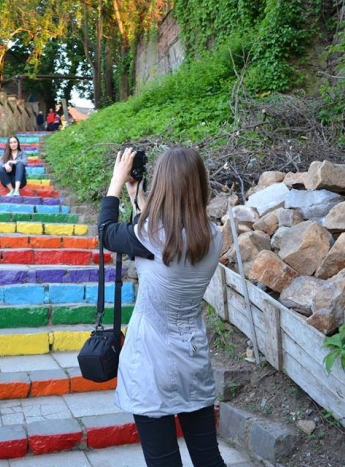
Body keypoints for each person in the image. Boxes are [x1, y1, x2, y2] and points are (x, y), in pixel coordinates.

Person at [98, 147, 226, 467]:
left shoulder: (150, 236)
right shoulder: (214, 236)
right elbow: (165, 241)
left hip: (150, 367)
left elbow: (107, 232)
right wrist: (136, 198)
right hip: (192, 360)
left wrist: (116, 182)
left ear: (164, 186)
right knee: (208, 457)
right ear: (200, 184)